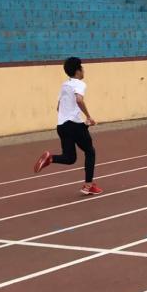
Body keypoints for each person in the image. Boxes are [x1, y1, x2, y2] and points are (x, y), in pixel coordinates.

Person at [33, 56, 102, 195]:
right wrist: (88, 117)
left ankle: (50, 158)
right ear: (78, 71)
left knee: (70, 158)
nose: (83, 70)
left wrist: (82, 123)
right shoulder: (80, 84)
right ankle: (88, 186)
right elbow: (79, 100)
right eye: (82, 68)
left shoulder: (64, 85)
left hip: (62, 127)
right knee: (90, 151)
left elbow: (58, 108)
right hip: (73, 125)